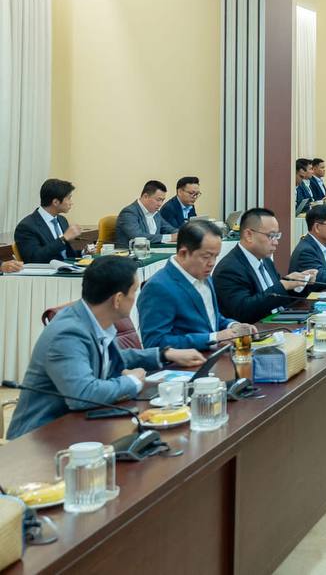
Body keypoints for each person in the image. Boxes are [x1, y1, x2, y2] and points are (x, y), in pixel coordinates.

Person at [5, 257, 205, 439]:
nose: (135, 298)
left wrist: (164, 354)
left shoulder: (93, 318)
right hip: (39, 439)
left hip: (80, 425)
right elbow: (83, 395)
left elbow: (113, 358)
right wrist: (132, 381)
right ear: (117, 299)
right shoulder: (67, 334)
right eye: (134, 291)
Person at [137, 219, 256, 350]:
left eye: (215, 256)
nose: (212, 263)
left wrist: (233, 326)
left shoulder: (204, 275)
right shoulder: (158, 287)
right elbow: (154, 344)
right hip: (186, 362)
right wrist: (213, 338)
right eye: (206, 257)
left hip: (214, 356)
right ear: (183, 253)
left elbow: (211, 318)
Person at [211, 208, 314, 324]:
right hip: (255, 331)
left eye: (277, 236)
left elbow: (279, 298)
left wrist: (300, 283)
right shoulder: (229, 269)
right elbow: (243, 311)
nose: (276, 242)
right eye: (271, 236)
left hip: (278, 324)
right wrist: (282, 286)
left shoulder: (265, 260)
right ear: (249, 235)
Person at [14, 178, 84, 263]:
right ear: (55, 202)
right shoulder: (26, 227)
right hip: (48, 270)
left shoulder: (62, 220)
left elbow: (65, 254)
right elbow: (34, 258)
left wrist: (83, 253)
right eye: (69, 198)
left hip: (66, 267)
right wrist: (63, 239)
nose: (71, 203)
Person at [115, 180, 179, 247]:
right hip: (130, 252)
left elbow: (169, 229)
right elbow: (137, 237)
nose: (160, 204)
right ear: (145, 196)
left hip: (153, 251)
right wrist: (170, 238)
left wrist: (182, 234)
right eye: (158, 200)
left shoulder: (156, 213)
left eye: (162, 200)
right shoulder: (129, 212)